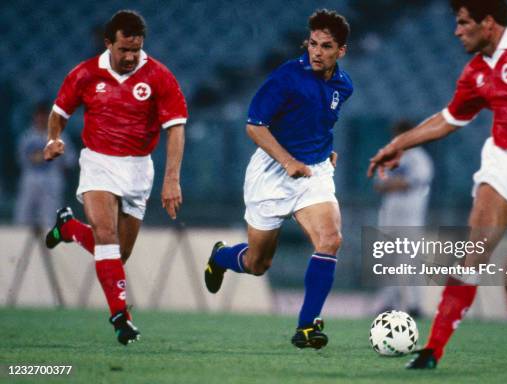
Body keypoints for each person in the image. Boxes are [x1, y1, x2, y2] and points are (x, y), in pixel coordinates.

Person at [368, 0, 507, 369]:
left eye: (463, 23)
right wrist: (398, 144)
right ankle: (432, 350)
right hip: (503, 161)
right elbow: (449, 119)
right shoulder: (475, 72)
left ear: (488, 23)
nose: (457, 31)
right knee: (476, 248)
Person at [204, 9, 352, 349]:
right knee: (258, 263)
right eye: (312, 43)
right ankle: (221, 257)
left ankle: (305, 328)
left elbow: (322, 120)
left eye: (326, 46)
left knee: (330, 239)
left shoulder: (344, 85)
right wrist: (287, 161)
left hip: (314, 173)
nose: (316, 51)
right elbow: (255, 125)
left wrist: (325, 150)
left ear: (340, 51)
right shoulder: (287, 77)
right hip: (272, 173)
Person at [43, 10, 187, 345]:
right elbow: (58, 113)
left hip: (139, 167)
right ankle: (121, 316)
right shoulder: (85, 74)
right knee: (106, 236)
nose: (130, 57)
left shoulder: (159, 76)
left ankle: (68, 228)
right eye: (123, 49)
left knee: (117, 256)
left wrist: (171, 179)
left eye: (135, 50)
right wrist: (53, 139)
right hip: (99, 163)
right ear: (108, 43)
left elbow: (176, 129)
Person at [373, 119, 434, 316]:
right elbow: (378, 183)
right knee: (389, 262)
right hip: (390, 217)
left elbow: (412, 182)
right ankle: (389, 303)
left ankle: (414, 305)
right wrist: (393, 183)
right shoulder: (389, 155)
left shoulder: (419, 157)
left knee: (411, 263)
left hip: (411, 219)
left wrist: (392, 183)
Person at [14, 103, 76, 229]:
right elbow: (20, 160)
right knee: (23, 216)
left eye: (44, 116)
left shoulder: (60, 136)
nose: (41, 119)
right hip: (30, 180)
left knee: (50, 218)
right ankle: (18, 246)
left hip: (52, 181)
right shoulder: (26, 137)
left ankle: (51, 247)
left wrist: (59, 164)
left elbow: (71, 160)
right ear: (34, 117)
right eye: (39, 116)